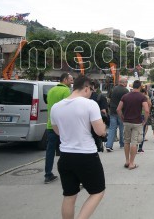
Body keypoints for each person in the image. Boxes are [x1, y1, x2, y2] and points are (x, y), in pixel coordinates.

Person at [50, 75, 107, 219]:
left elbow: (57, 131)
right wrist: (104, 127)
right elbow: (100, 131)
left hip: (65, 156)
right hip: (86, 155)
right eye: (91, 91)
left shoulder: (56, 107)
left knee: (69, 195)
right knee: (97, 191)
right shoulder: (90, 104)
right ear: (87, 88)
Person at [45, 72, 74, 184]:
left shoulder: (51, 90)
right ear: (65, 80)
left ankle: (48, 174)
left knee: (50, 151)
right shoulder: (66, 91)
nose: (72, 83)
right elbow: (68, 109)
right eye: (71, 80)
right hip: (62, 127)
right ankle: (66, 173)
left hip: (50, 125)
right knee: (65, 151)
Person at [117, 80, 149, 170]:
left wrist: (122, 118)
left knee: (126, 141)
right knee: (134, 143)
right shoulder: (142, 97)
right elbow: (146, 110)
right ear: (140, 87)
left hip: (127, 122)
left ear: (132, 86)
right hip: (137, 122)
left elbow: (118, 109)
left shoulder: (125, 96)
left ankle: (127, 161)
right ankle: (132, 163)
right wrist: (145, 121)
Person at [105, 77, 129, 152]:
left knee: (112, 128)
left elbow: (108, 98)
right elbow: (127, 102)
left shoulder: (113, 89)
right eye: (126, 82)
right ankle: (122, 144)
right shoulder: (126, 91)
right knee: (122, 128)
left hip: (112, 110)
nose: (127, 83)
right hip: (121, 111)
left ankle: (109, 145)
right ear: (123, 82)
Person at [137, 87, 152, 153]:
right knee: (142, 131)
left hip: (136, 115)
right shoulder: (146, 97)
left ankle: (134, 146)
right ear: (145, 92)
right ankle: (140, 148)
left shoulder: (136, 96)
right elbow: (149, 105)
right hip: (143, 115)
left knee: (136, 131)